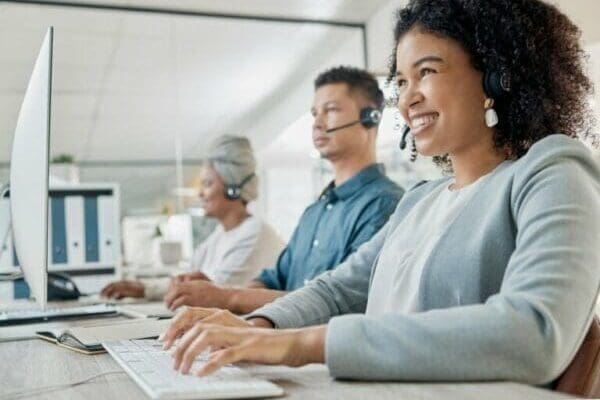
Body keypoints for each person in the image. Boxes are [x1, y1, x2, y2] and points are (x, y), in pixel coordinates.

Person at [160, 0, 600, 387]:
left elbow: (534, 332)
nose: (408, 99)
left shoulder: (551, 170)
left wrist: (302, 344)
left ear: (496, 77)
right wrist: (255, 328)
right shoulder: (419, 201)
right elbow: (337, 292)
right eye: (402, 82)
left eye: (426, 71)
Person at [162, 66, 404, 312]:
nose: (317, 124)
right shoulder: (315, 212)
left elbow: (343, 304)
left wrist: (229, 297)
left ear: (370, 118)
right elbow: (274, 279)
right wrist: (220, 292)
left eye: (330, 110)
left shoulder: (385, 205)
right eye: (314, 113)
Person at [101, 135, 285, 300]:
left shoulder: (254, 233)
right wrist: (143, 288)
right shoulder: (222, 233)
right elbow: (189, 277)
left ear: (233, 189)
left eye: (207, 184)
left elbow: (214, 293)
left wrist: (151, 289)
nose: (200, 193)